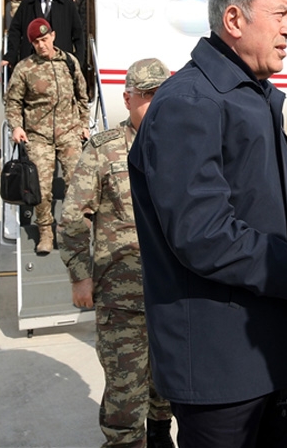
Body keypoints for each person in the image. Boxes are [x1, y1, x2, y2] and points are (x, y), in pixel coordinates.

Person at [127, 0, 287, 448]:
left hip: (265, 351)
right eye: (282, 14)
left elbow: (249, 201)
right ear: (234, 20)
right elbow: (204, 232)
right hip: (219, 369)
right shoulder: (190, 101)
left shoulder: (248, 94)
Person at [60, 58, 175, 448]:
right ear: (127, 99)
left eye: (163, 95)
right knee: (126, 394)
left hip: (174, 296)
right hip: (122, 299)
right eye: (147, 97)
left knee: (168, 385)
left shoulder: (185, 147)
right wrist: (80, 274)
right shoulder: (104, 150)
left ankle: (161, 437)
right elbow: (74, 214)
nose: (156, 104)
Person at [5, 18, 90, 254]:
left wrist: (83, 124)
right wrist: (16, 126)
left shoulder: (70, 63)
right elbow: (12, 101)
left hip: (69, 132)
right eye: (36, 42)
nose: (41, 45)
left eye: (44, 39)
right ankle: (45, 232)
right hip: (38, 135)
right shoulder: (25, 68)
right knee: (41, 186)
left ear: (52, 36)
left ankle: (73, 229)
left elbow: (83, 96)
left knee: (77, 182)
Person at [4, 0, 87, 72]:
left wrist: (78, 61)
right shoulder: (27, 4)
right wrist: (10, 56)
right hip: (32, 65)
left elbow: (78, 34)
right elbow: (15, 31)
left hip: (61, 65)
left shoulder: (67, 5)